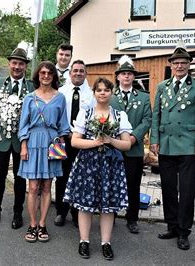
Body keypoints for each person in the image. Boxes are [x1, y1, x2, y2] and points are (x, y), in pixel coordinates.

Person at [150, 42, 195, 251]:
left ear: (188, 65)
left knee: (186, 191)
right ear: (171, 65)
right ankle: (172, 226)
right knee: (167, 189)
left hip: (187, 145)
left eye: (183, 62)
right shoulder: (162, 87)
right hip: (166, 144)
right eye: (176, 63)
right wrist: (154, 140)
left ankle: (184, 232)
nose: (179, 66)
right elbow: (156, 114)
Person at [64, 77, 132, 260]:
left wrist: (110, 140)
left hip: (110, 165)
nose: (102, 93)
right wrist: (95, 142)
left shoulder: (119, 115)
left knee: (107, 206)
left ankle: (106, 243)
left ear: (112, 92)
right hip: (88, 164)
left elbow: (127, 145)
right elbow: (75, 141)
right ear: (94, 93)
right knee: (85, 204)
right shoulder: (85, 114)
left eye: (106, 90)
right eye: (99, 90)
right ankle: (84, 241)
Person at [18, 61, 70, 242]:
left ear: (54, 76)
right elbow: (23, 124)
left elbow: (64, 125)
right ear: (37, 76)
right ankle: (32, 225)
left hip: (52, 142)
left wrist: (60, 146)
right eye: (42, 73)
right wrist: (23, 146)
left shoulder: (60, 97)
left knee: (48, 187)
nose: (46, 76)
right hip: (33, 142)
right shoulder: (29, 98)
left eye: (49, 73)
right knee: (33, 187)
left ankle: (42, 224)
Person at [0, 48, 34, 229]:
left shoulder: (31, 87)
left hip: (22, 141)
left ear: (25, 67)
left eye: (21, 64)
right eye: (14, 63)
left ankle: (17, 213)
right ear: (9, 64)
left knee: (20, 178)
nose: (17, 67)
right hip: (0, 138)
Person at [110, 55, 152, 234]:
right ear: (118, 76)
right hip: (113, 148)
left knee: (133, 185)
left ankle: (132, 217)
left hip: (134, 149)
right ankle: (110, 215)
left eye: (129, 74)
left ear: (134, 77)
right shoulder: (110, 96)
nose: (126, 77)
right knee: (111, 183)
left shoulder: (143, 97)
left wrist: (134, 137)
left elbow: (147, 119)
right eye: (123, 74)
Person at [56, 60, 94, 227]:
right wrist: (67, 133)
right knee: (62, 176)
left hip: (83, 141)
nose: (78, 73)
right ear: (70, 73)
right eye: (75, 71)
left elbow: (93, 117)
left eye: (81, 71)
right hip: (63, 139)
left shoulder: (91, 94)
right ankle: (61, 211)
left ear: (85, 74)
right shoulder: (60, 92)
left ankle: (77, 212)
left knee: (81, 176)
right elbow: (57, 116)